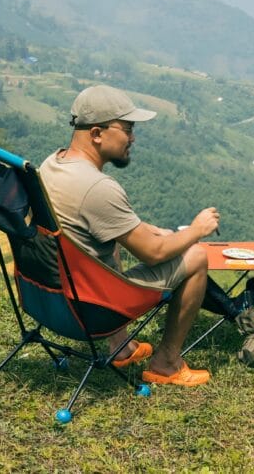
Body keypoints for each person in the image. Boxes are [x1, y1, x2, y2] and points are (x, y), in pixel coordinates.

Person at [39, 84, 219, 386]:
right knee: (197, 256)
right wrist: (197, 229)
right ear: (97, 133)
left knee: (108, 241)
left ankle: (120, 346)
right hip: (89, 310)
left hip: (49, 299)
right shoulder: (98, 188)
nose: (132, 138)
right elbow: (154, 254)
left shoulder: (52, 164)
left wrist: (146, 228)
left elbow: (102, 220)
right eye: (127, 129)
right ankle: (166, 364)